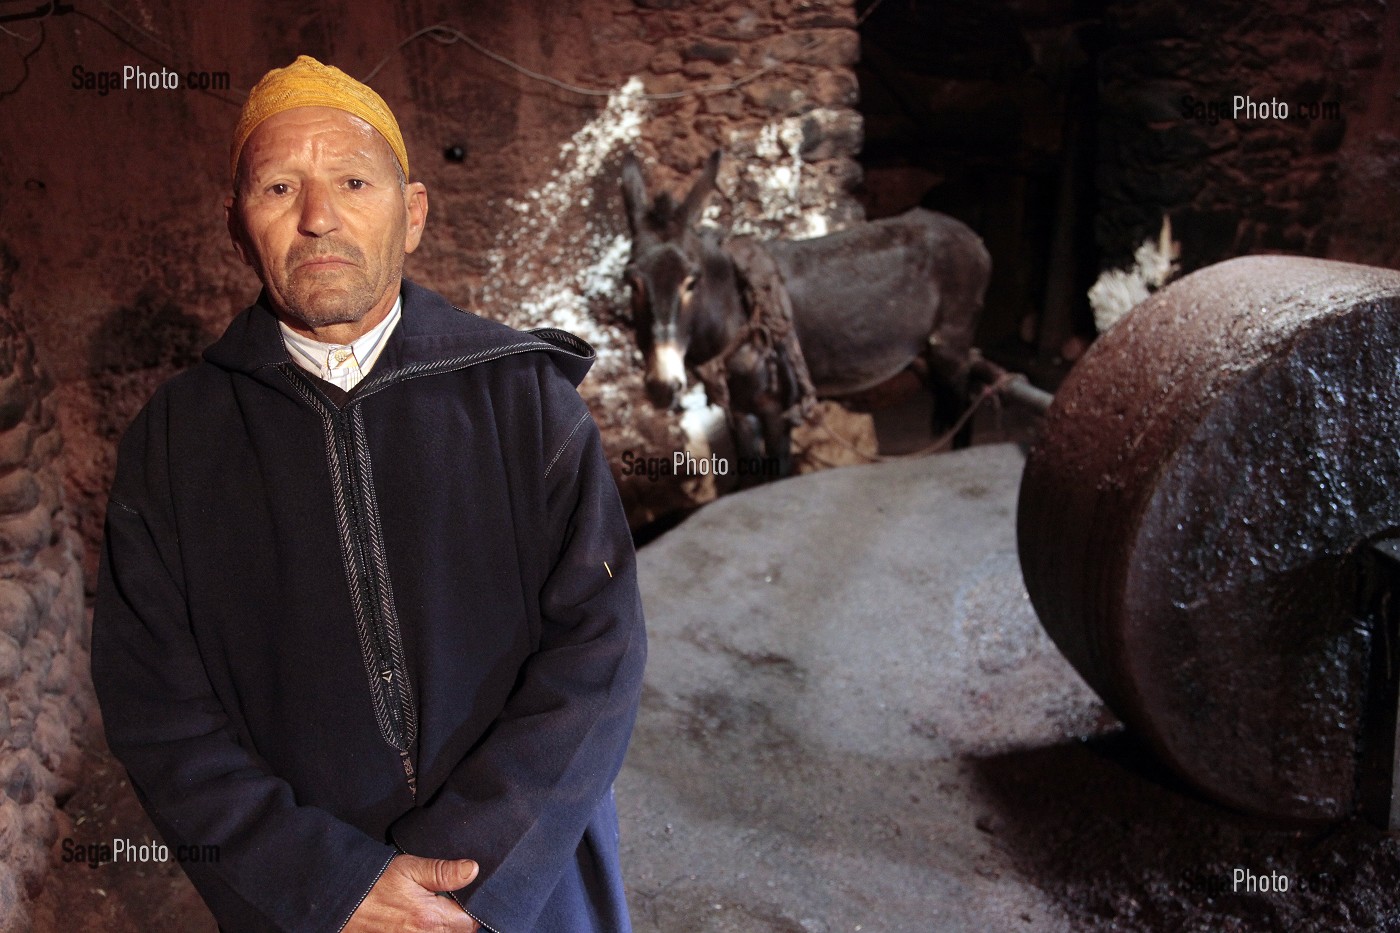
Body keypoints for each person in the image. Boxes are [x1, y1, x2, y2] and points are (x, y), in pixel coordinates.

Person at [90, 55, 646, 933]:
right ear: (237, 226)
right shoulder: (171, 447)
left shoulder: (524, 402)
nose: (318, 216)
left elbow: (600, 648)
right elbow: (159, 713)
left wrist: (470, 876)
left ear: (412, 212)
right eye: (278, 188)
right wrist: (334, 883)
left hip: (525, 887)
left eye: (353, 181)